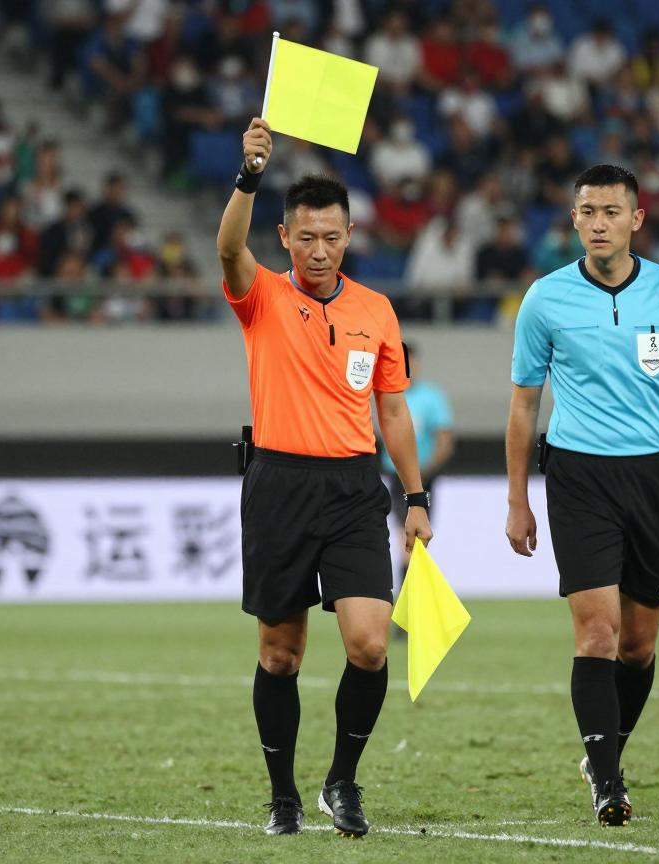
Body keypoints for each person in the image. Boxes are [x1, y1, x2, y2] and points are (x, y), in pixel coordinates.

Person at [218, 117, 432, 838]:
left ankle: (342, 780)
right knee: (280, 654)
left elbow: (393, 410)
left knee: (370, 644)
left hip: (353, 489)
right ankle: (283, 796)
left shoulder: (377, 310)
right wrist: (250, 174)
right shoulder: (261, 297)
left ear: (349, 236)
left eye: (331, 237)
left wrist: (415, 496)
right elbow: (228, 247)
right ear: (284, 237)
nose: (318, 249)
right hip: (278, 485)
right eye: (305, 237)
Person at [504, 165, 659, 827]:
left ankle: (602, 753)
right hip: (578, 477)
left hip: (653, 477)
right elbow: (523, 407)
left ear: (636, 219)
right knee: (597, 632)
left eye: (611, 211)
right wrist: (517, 499)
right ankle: (608, 784)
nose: (599, 223)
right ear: (573, 219)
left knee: (638, 646)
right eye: (587, 211)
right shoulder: (545, 299)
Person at [379, 342, 454, 608]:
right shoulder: (387, 395)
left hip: (423, 478)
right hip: (395, 477)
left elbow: (444, 440)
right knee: (407, 538)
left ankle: (410, 604)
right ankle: (410, 605)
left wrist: (424, 472)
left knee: (416, 539)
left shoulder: (431, 397)